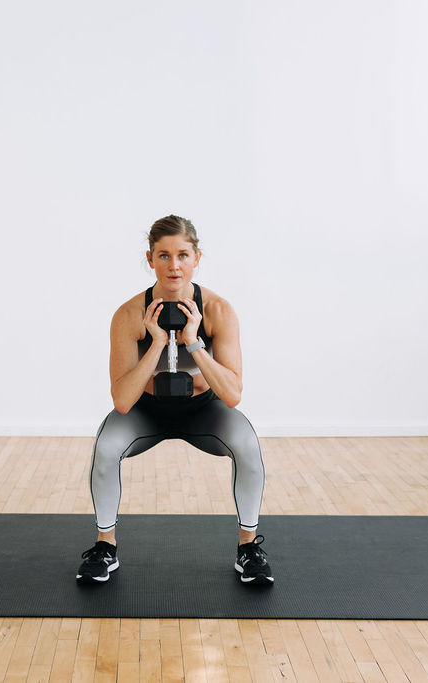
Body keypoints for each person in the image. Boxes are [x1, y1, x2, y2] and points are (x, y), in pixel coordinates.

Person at [76, 215, 272, 585]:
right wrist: (155, 343)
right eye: (163, 256)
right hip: (145, 412)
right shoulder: (129, 314)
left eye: (182, 255)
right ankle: (105, 548)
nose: (174, 265)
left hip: (204, 411)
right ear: (150, 259)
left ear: (197, 257)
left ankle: (248, 549)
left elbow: (232, 395)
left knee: (247, 443)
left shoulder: (217, 311)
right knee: (105, 448)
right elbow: (122, 400)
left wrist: (195, 343)